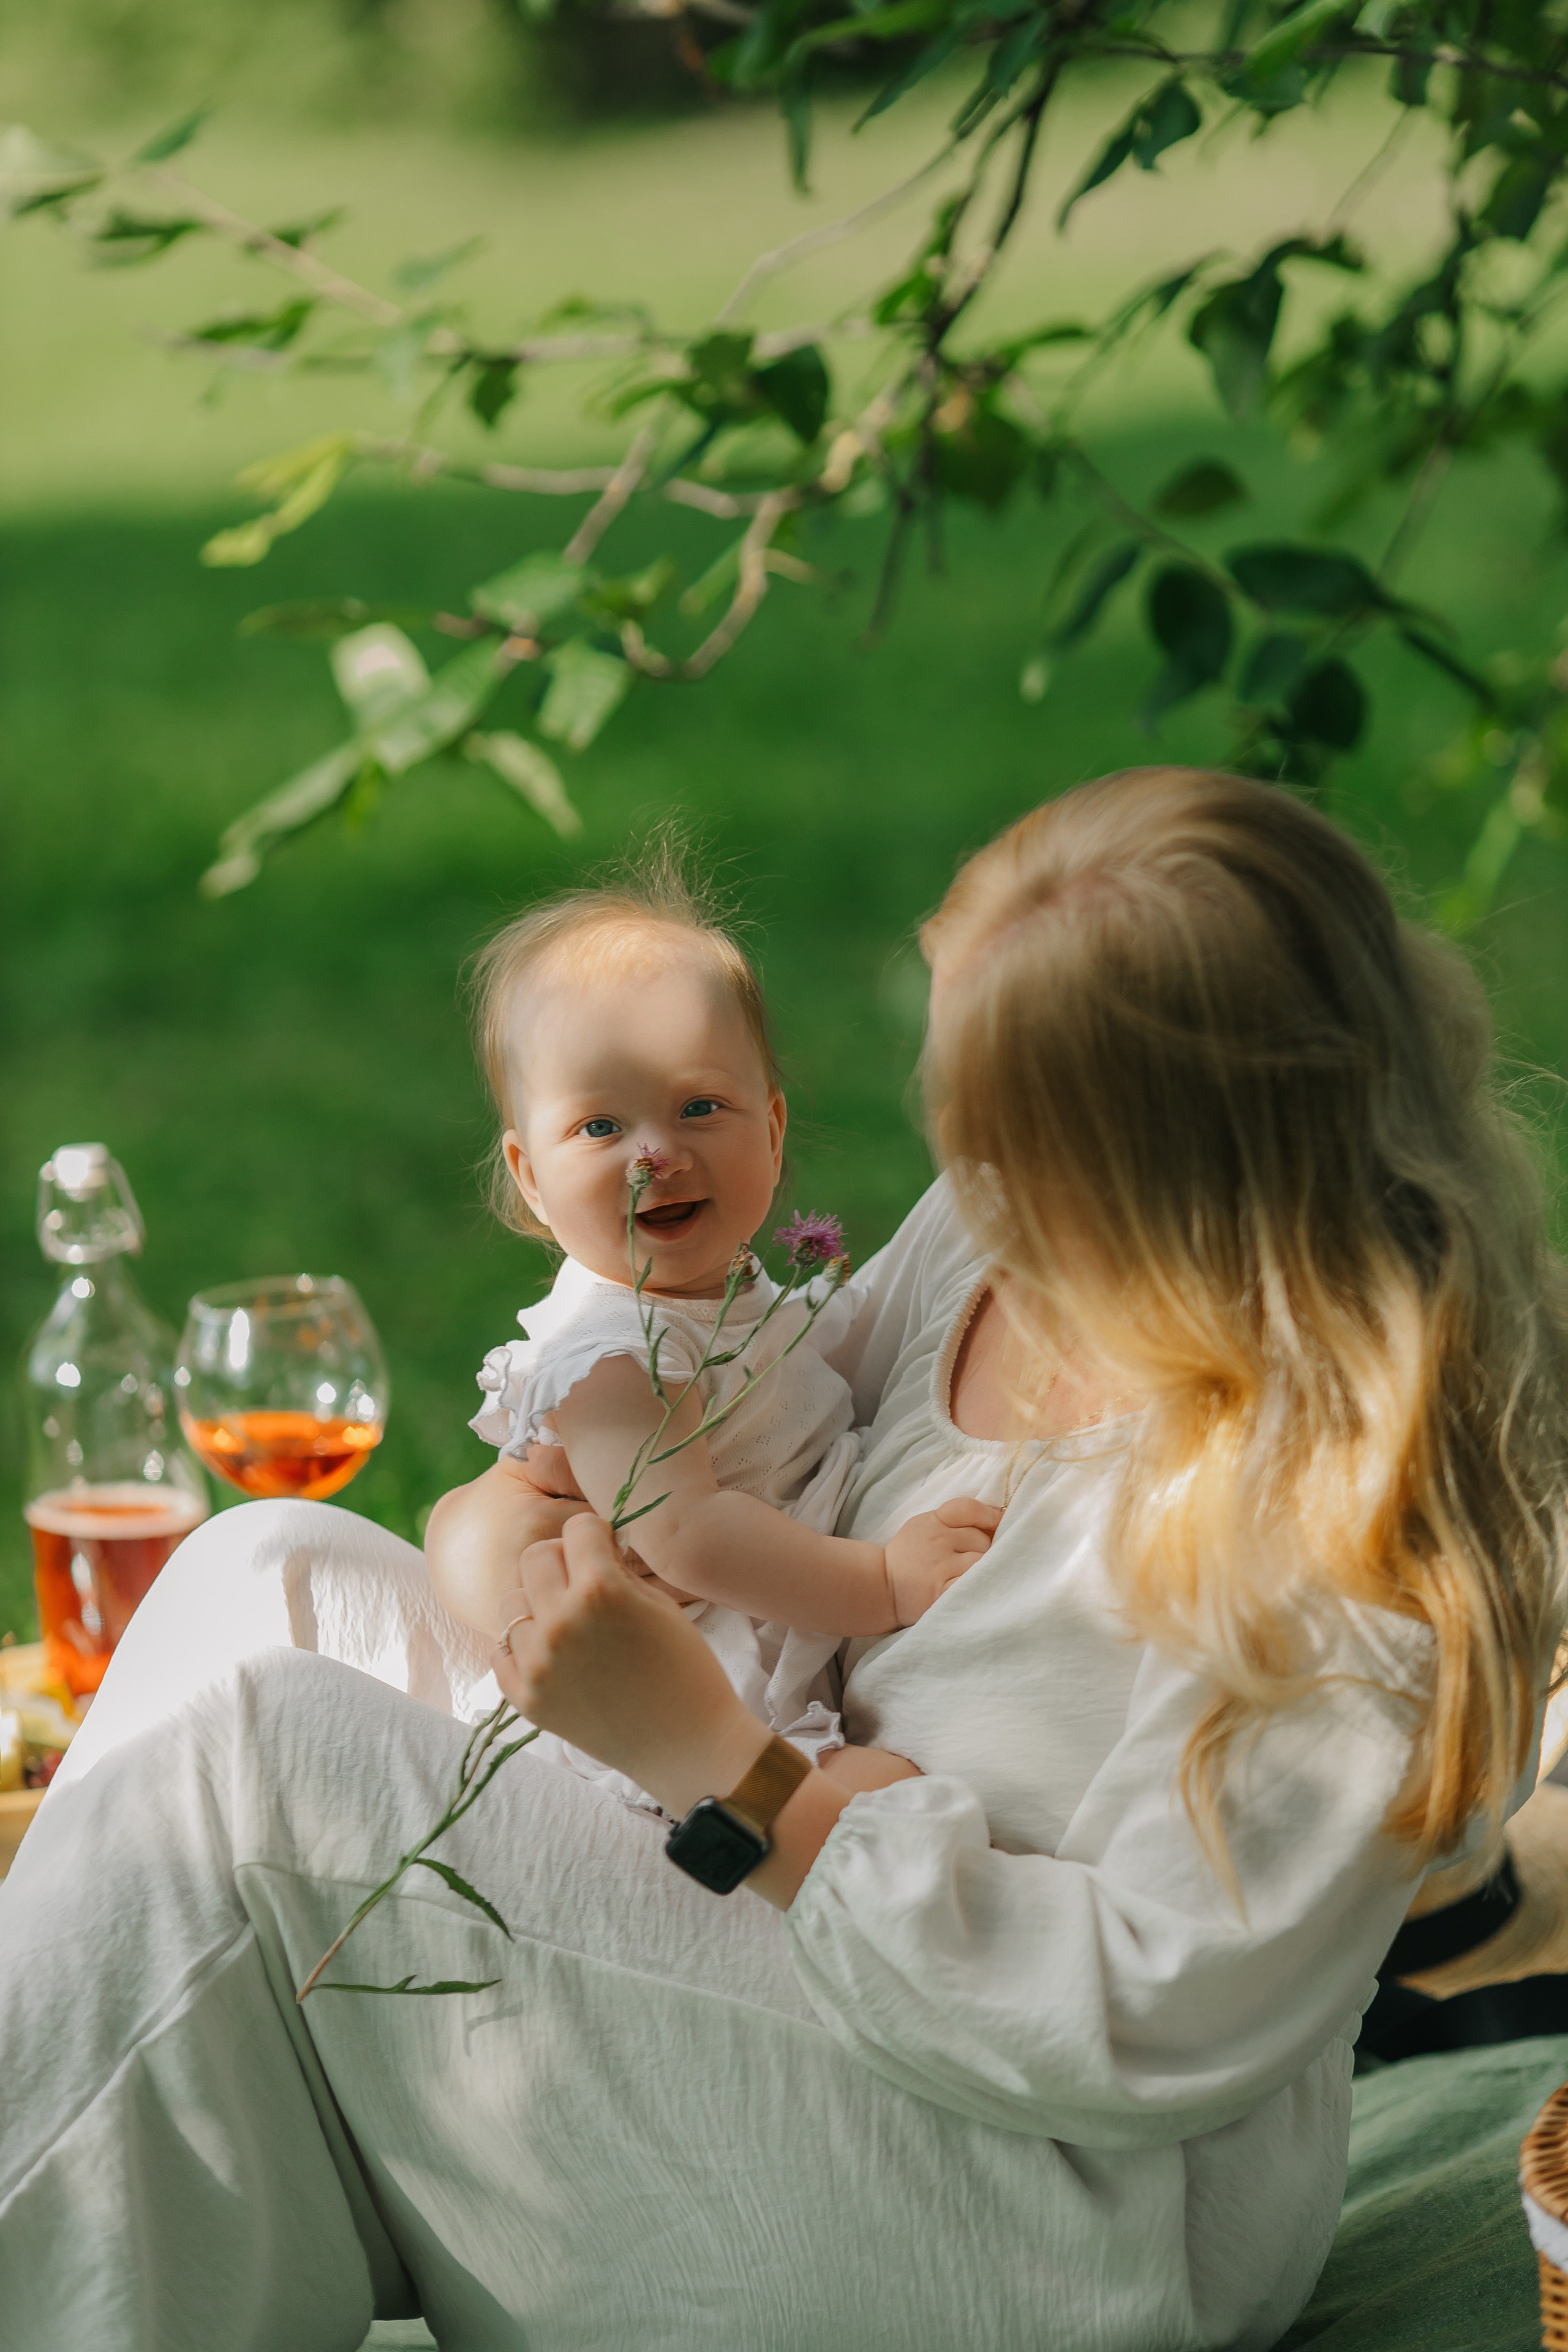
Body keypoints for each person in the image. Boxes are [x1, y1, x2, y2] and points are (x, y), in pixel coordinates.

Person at [3, 766, 1565, 2352]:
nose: (963, 1151)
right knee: (265, 1569)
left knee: (264, 1771)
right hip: (797, 1903)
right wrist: (517, 1526)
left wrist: (717, 1764)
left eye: (1010, 1122)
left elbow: (1134, 2023)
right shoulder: (1003, 1231)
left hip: (1046, 2197)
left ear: (1183, 1163)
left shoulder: (1347, 1516)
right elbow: (738, 1428)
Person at [450, 868, 998, 1808]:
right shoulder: (610, 1354)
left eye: (699, 1107)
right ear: (529, 1176)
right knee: (877, 1797)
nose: (654, 1152)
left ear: (775, 1135)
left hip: (754, 1648)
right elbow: (689, 1535)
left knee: (888, 1795)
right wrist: (883, 1582)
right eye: (599, 1126)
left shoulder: (730, 1299)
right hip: (680, 1683)